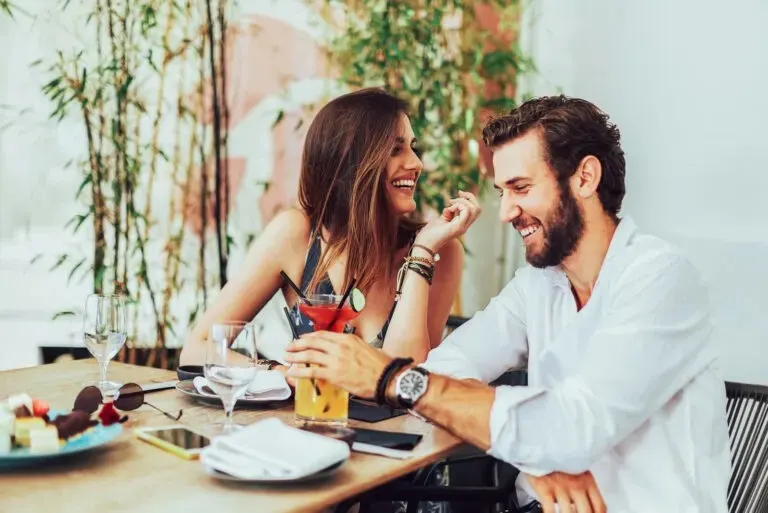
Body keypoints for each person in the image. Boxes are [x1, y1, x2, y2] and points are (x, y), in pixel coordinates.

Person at [285, 95, 731, 513]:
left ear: (585, 178)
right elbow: (442, 371)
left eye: (520, 188)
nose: (506, 212)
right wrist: (539, 449)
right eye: (502, 192)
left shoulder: (659, 278)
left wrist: (390, 377)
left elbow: (574, 428)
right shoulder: (538, 285)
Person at [179, 88, 475, 368]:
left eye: (412, 148)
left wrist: (422, 254)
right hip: (308, 416)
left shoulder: (440, 252)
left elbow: (408, 379)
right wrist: (280, 374)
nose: (416, 163)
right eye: (395, 149)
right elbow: (198, 348)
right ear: (353, 162)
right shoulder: (298, 235)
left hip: (391, 424)